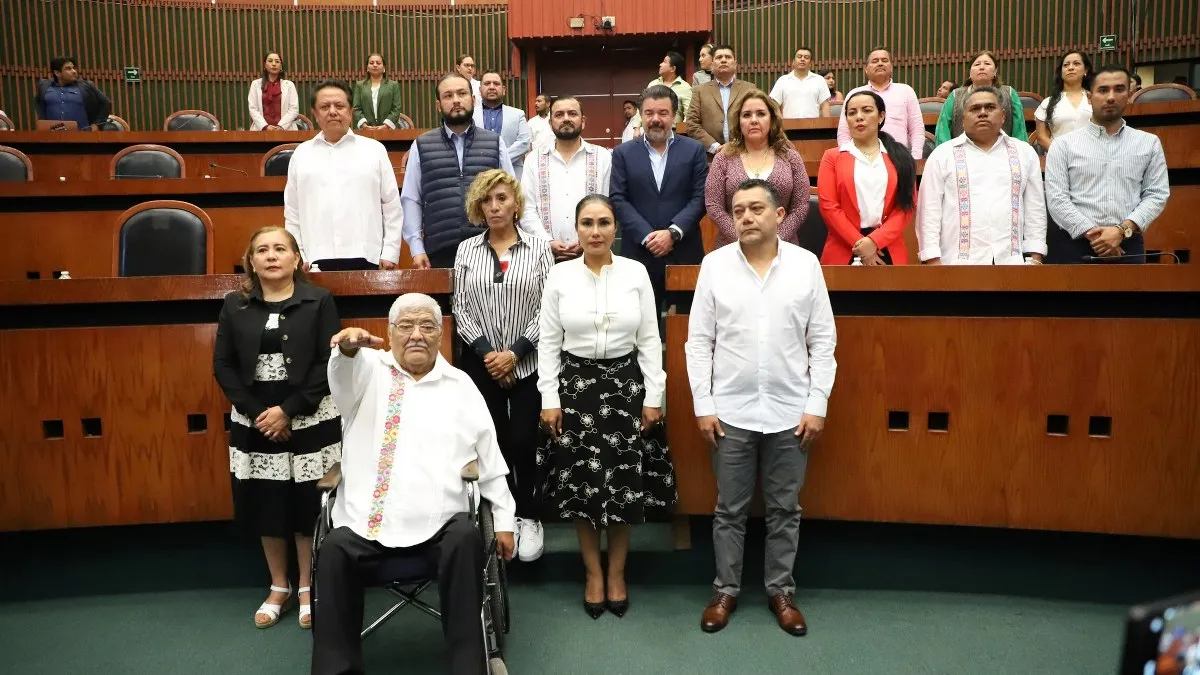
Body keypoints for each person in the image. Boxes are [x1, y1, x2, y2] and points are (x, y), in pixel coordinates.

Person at [313, 294, 516, 675]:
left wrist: (503, 519)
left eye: (427, 326)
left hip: (441, 529)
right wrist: (347, 351)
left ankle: (469, 666)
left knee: (466, 537)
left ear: (441, 334)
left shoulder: (460, 385)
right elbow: (340, 382)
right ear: (389, 334)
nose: (416, 335)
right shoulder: (368, 369)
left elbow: (490, 458)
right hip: (366, 529)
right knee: (334, 548)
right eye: (405, 326)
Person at [685, 178, 837, 637]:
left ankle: (780, 591)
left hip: (792, 411)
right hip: (729, 411)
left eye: (756, 209)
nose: (746, 217)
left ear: (778, 215)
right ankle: (726, 590)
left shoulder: (806, 266)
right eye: (738, 210)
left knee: (785, 509)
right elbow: (699, 343)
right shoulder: (714, 266)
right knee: (728, 509)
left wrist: (817, 404)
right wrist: (703, 405)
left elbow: (823, 341)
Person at [537, 194, 676, 619]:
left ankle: (617, 573)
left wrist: (655, 395)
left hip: (625, 387)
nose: (595, 231)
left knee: (621, 485)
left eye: (603, 223)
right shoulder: (559, 277)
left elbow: (650, 340)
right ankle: (592, 573)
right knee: (582, 487)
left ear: (616, 228)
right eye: (586, 223)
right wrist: (549, 397)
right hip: (575, 389)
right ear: (575, 230)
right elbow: (548, 343)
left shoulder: (635, 273)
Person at [212, 226, 342, 630]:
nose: (271, 255)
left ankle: (308, 586)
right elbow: (224, 366)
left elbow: (328, 362)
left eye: (280, 249)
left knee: (307, 504)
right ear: (251, 261)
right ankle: (278, 587)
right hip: (255, 422)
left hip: (309, 415)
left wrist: (288, 410)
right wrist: (259, 414)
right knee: (268, 503)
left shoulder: (319, 300)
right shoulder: (235, 305)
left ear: (296, 259)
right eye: (262, 250)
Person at [454, 170, 554, 563]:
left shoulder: (538, 248)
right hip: (482, 365)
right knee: (491, 442)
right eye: (486, 201)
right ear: (478, 208)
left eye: (501, 199)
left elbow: (549, 308)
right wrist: (490, 355)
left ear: (516, 205)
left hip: (529, 360)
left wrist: (514, 352)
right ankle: (501, 515)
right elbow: (461, 309)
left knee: (525, 441)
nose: (494, 207)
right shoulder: (466, 251)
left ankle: (529, 515)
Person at [1045, 65, 1169, 264]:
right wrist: (1096, 236)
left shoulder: (1149, 143)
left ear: (1129, 94)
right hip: (1074, 246)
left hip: (1128, 244)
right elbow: (1057, 199)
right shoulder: (1063, 145)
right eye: (1103, 90)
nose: (1111, 97)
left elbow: (1157, 194)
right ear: (1089, 96)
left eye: (1119, 89)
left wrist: (1121, 231)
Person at [917, 87, 1046, 265]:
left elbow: (1035, 208)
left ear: (1002, 116)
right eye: (975, 109)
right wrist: (932, 260)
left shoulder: (1024, 153)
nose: (983, 113)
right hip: (956, 264)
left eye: (990, 107)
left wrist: (1035, 256)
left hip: (1011, 263)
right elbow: (929, 212)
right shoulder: (942, 155)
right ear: (963, 119)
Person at [284, 80, 403, 272]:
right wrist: (298, 255)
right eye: (324, 107)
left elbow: (391, 206)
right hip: (313, 259)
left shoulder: (374, 150)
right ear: (314, 114)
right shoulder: (301, 155)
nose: (332, 111)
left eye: (339, 106)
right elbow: (292, 212)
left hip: (368, 257)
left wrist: (390, 252)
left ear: (351, 111)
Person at [401, 73, 515, 269]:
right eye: (448, 96)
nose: (456, 100)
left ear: (472, 100)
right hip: (438, 252)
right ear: (438, 105)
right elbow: (411, 198)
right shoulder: (421, 145)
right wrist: (416, 248)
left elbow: (512, 194)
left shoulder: (494, 142)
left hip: (488, 249)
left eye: (461, 93)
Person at [612, 85, 708, 314]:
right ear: (641, 116)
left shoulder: (694, 150)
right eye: (649, 113)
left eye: (663, 113)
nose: (655, 119)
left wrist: (673, 233)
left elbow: (700, 196)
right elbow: (618, 198)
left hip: (684, 251)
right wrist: (647, 236)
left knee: (686, 327)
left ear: (674, 115)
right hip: (638, 253)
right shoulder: (622, 153)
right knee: (640, 328)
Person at [818, 90, 917, 265]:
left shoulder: (901, 157)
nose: (859, 117)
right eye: (852, 113)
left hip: (887, 248)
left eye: (867, 110)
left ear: (881, 117)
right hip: (844, 247)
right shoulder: (832, 157)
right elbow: (829, 207)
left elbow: (906, 207)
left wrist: (874, 242)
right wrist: (861, 245)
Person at [705, 90, 809, 248]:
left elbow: (800, 206)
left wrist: (775, 240)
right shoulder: (723, 158)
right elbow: (714, 206)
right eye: (746, 115)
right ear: (739, 121)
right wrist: (743, 238)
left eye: (761, 114)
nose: (753, 120)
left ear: (772, 119)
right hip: (733, 249)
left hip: (782, 248)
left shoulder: (790, 157)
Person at [520, 96, 613, 259]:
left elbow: (608, 206)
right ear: (550, 123)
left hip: (592, 254)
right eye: (559, 115)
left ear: (583, 121)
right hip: (544, 256)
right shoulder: (533, 160)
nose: (566, 119)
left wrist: (585, 240)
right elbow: (526, 209)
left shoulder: (602, 157)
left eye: (572, 114)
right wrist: (547, 242)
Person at [836, 47, 924, 158]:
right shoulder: (855, 94)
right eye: (875, 61)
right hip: (861, 157)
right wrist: (847, 158)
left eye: (884, 60)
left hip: (899, 157)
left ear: (891, 67)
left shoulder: (906, 91)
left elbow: (917, 128)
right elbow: (844, 132)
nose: (880, 63)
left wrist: (915, 158)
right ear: (866, 69)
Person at [934, 50, 1029, 146]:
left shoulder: (1009, 93)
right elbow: (943, 130)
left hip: (1003, 153)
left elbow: (1019, 130)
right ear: (970, 73)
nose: (982, 67)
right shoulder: (955, 95)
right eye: (977, 64)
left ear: (995, 71)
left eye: (987, 64)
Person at [686, 45, 757, 157]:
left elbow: (756, 120)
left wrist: (736, 145)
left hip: (744, 154)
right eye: (719, 57)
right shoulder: (700, 91)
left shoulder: (749, 89)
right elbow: (692, 123)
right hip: (710, 156)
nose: (723, 60)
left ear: (735, 63)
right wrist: (715, 147)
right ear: (712, 64)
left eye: (728, 57)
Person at [473, 70, 532, 180]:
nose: (491, 87)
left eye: (496, 83)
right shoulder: (470, 115)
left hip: (512, 174)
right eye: (487, 84)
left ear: (503, 90)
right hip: (478, 175)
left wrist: (499, 159)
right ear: (480, 90)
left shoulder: (518, 114)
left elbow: (524, 142)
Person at [1034, 51, 1094, 152]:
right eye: (1066, 65)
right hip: (1059, 159)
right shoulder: (1048, 102)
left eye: (1076, 63)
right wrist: (1062, 154)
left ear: (1086, 70)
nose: (1070, 68)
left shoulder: (1095, 98)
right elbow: (1042, 138)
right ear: (1061, 72)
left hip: (1093, 158)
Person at [34, 56, 111, 130]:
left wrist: (97, 125)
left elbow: (106, 103)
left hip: (82, 135)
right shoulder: (44, 86)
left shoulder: (86, 86)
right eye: (68, 69)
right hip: (52, 136)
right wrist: (42, 121)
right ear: (57, 73)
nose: (74, 71)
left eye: (74, 68)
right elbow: (38, 102)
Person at [769, 47, 831, 118]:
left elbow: (825, 105)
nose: (802, 59)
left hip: (813, 126)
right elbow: (774, 104)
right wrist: (781, 122)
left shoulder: (819, 80)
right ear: (793, 62)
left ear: (810, 63)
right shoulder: (783, 80)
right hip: (788, 126)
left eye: (806, 57)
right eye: (799, 57)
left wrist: (827, 127)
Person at [248, 52, 300, 131]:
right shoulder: (255, 84)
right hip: (260, 130)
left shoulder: (289, 85)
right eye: (270, 61)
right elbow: (253, 108)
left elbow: (294, 109)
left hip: (286, 130)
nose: (274, 64)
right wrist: (265, 126)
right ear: (265, 65)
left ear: (281, 66)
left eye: (277, 61)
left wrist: (281, 127)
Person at [352, 53, 403, 130]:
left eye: (378, 63)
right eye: (371, 63)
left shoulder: (393, 85)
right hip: (366, 130)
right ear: (367, 68)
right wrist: (364, 125)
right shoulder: (360, 85)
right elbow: (356, 108)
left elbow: (396, 108)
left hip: (388, 130)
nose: (375, 65)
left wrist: (386, 125)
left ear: (384, 68)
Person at [648, 51, 694, 123]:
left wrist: (682, 131)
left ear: (673, 68)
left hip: (675, 130)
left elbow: (689, 113)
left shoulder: (685, 87)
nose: (660, 64)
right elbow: (642, 107)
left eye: (664, 62)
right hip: (652, 128)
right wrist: (636, 127)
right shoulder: (652, 84)